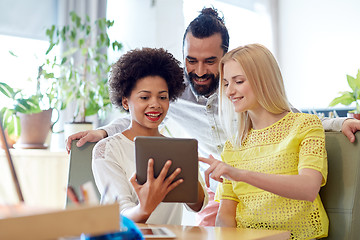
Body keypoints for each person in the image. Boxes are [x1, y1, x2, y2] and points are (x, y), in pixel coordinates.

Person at [66, 7, 360, 226]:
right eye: (191, 60)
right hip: (220, 192)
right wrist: (103, 132)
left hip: (240, 189)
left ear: (225, 57)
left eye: (210, 61)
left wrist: (338, 122)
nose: (200, 70)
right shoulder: (171, 92)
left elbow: (287, 117)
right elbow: (140, 114)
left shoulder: (243, 93)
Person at [200, 43, 328, 239]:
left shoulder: (305, 126)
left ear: (263, 81)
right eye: (226, 83)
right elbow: (226, 215)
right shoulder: (233, 147)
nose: (229, 92)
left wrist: (240, 174)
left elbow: (308, 188)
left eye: (239, 81)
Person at [92, 47, 207, 224]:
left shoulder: (178, 149)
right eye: (144, 98)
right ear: (125, 101)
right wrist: (144, 207)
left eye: (162, 97)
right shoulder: (107, 149)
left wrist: (186, 168)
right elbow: (120, 216)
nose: (155, 104)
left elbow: (198, 205)